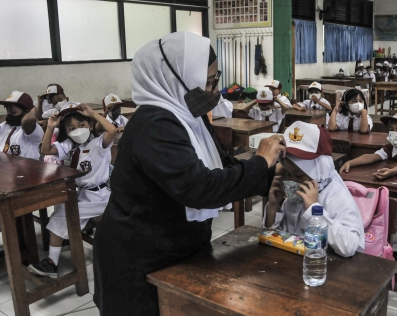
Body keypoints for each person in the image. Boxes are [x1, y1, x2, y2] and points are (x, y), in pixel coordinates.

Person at [92, 32, 286, 316]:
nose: (213, 91)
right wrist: (260, 162)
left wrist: (273, 175)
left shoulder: (189, 118)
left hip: (177, 246)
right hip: (139, 255)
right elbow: (200, 188)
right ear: (176, 78)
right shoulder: (154, 124)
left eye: (215, 80)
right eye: (207, 82)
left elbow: (222, 166)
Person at [28, 102, 117, 278]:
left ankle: (52, 263)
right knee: (61, 211)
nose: (77, 130)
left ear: (90, 125)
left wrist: (92, 113)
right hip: (83, 195)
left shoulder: (99, 144)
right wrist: (51, 127)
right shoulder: (70, 145)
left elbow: (112, 131)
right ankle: (52, 262)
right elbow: (45, 149)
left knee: (59, 216)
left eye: (81, 124)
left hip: (100, 196)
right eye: (71, 128)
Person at [340, 109, 397, 271]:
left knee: (393, 216)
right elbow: (373, 156)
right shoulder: (390, 147)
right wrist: (352, 162)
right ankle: (375, 247)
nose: (395, 134)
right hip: (390, 194)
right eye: (392, 130)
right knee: (373, 211)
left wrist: (392, 172)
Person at [265, 121, 364, 258]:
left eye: (298, 175)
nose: (291, 180)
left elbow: (349, 247)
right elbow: (274, 235)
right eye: (287, 173)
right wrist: (273, 206)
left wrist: (314, 209)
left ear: (319, 171)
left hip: (326, 267)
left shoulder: (337, 197)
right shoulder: (293, 198)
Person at [0, 91, 43, 259]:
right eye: (8, 105)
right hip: (5, 177)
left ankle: (17, 249)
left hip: (27, 180)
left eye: (16, 105)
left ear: (26, 109)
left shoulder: (32, 129)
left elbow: (29, 120)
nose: (11, 108)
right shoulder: (5, 126)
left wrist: (32, 108)